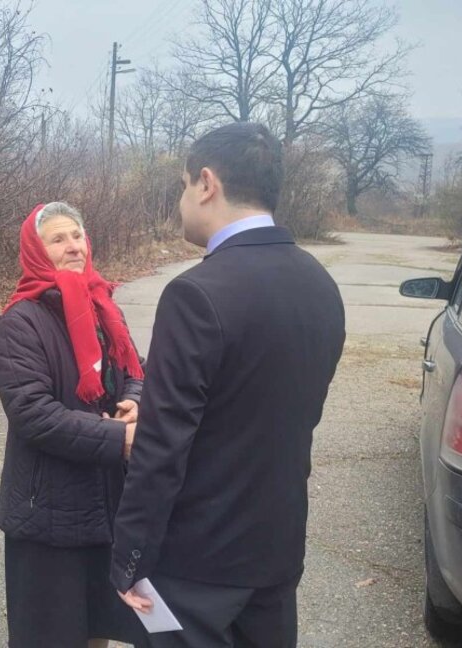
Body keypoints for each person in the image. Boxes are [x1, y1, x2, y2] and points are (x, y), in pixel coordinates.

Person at [111, 123, 346, 648]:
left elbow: (161, 445)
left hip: (198, 565)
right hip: (278, 551)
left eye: (181, 185)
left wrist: (128, 559)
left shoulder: (196, 293)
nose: (181, 200)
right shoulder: (319, 283)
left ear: (207, 183)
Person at [0, 201, 151, 648]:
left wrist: (134, 402)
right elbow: (33, 415)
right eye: (58, 239)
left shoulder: (103, 308)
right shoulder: (20, 323)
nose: (73, 247)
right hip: (49, 513)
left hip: (106, 506)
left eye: (77, 236)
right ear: (36, 252)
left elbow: (135, 369)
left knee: (99, 625)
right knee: (54, 635)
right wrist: (121, 439)